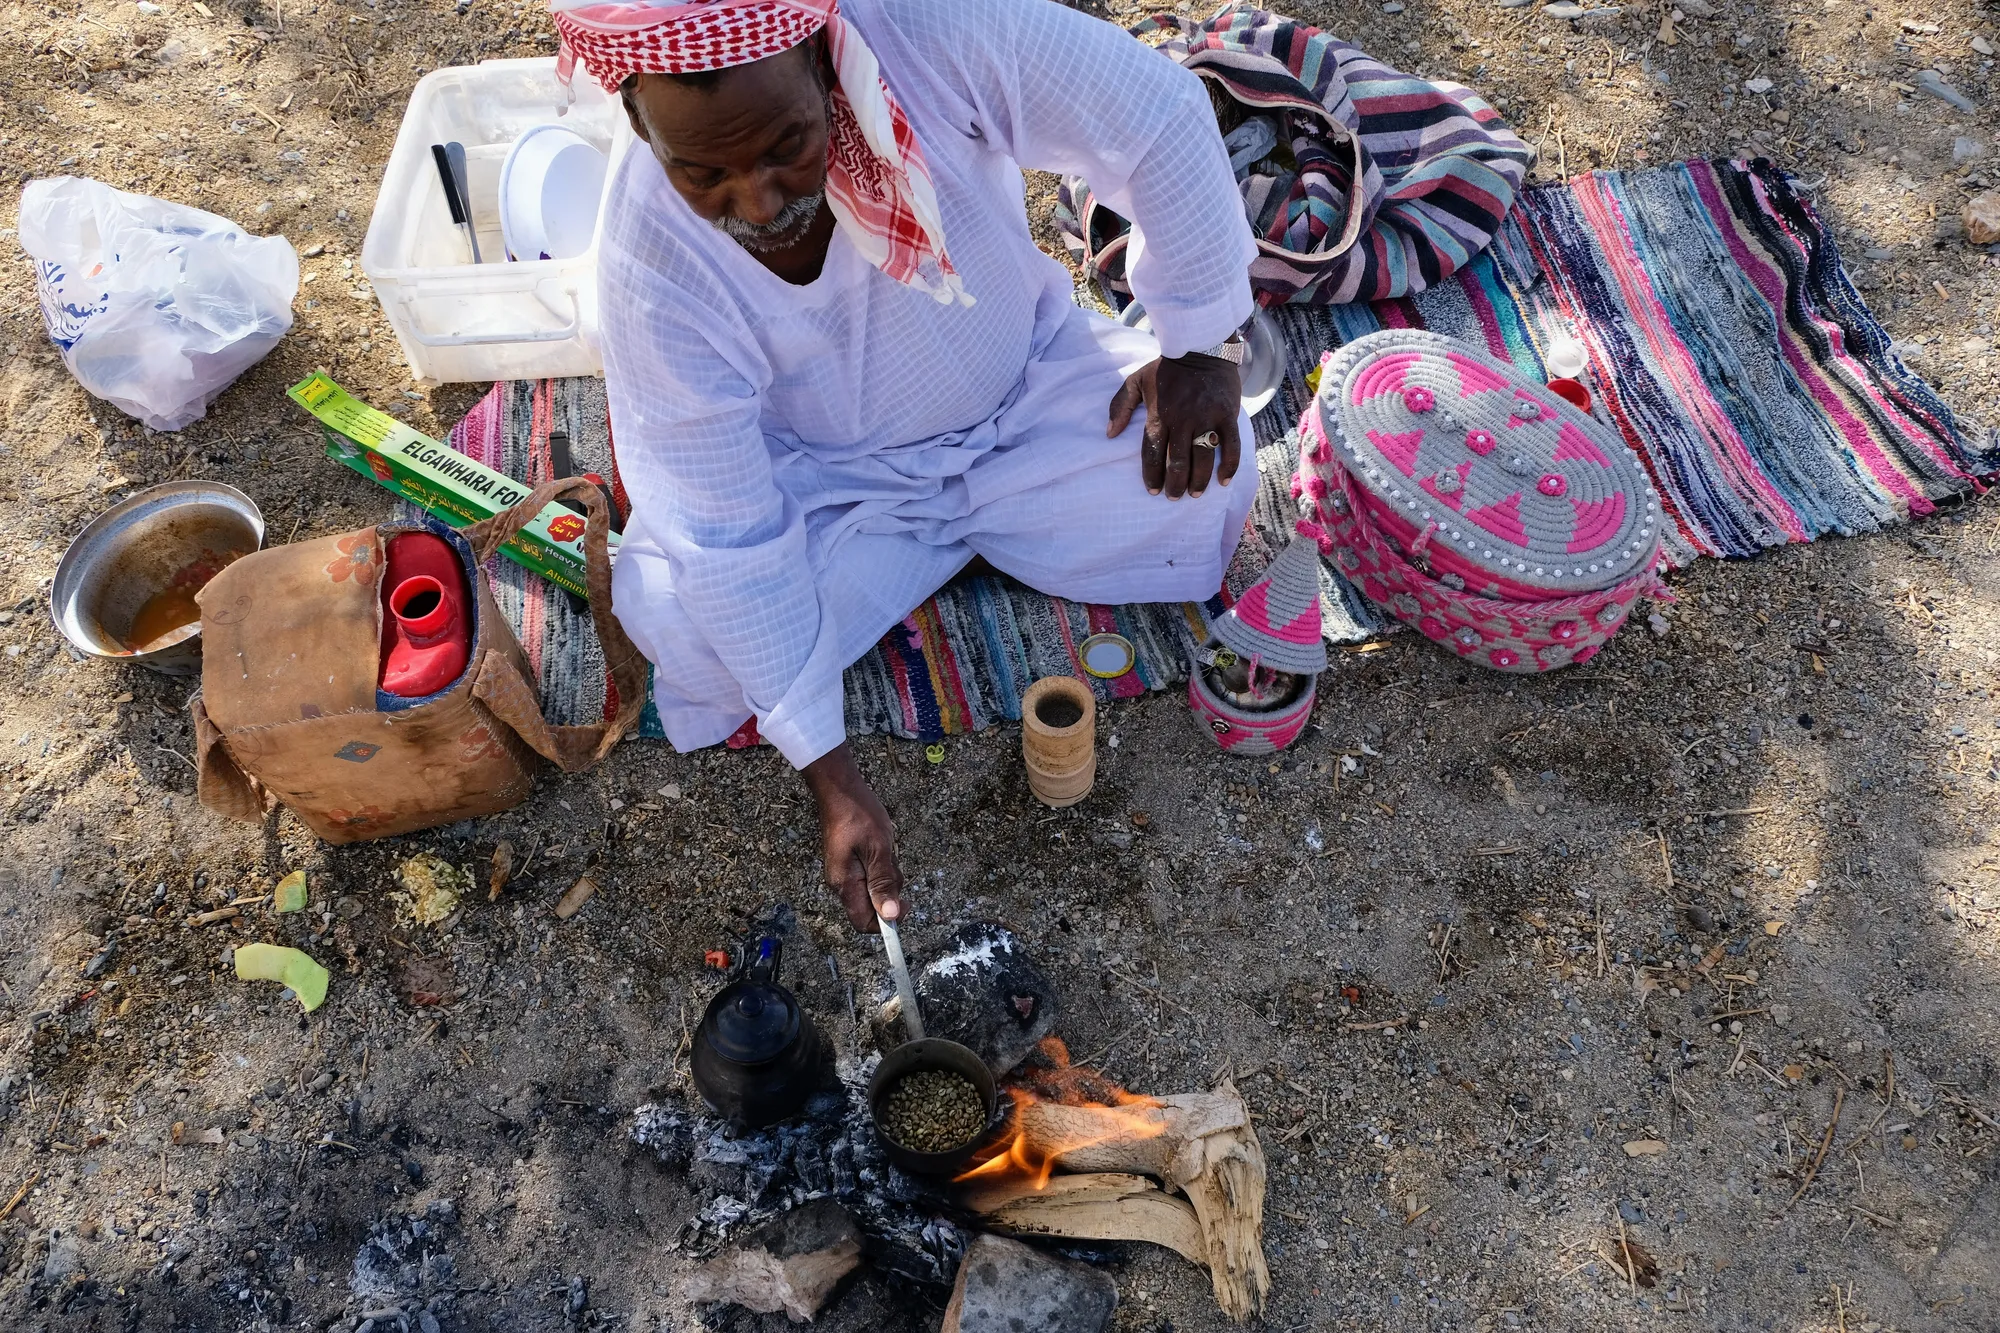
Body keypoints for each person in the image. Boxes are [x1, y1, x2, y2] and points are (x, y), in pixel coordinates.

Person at [557, 0, 1257, 932]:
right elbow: (720, 525)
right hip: (834, 486)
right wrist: (830, 773)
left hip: (1022, 398)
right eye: (705, 173)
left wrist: (1202, 343)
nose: (759, 202)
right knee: (682, 625)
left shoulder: (934, 31)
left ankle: (960, 544)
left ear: (820, 59)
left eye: (785, 147)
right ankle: (974, 545)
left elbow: (1158, 116)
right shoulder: (649, 258)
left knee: (1208, 486)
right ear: (640, 121)